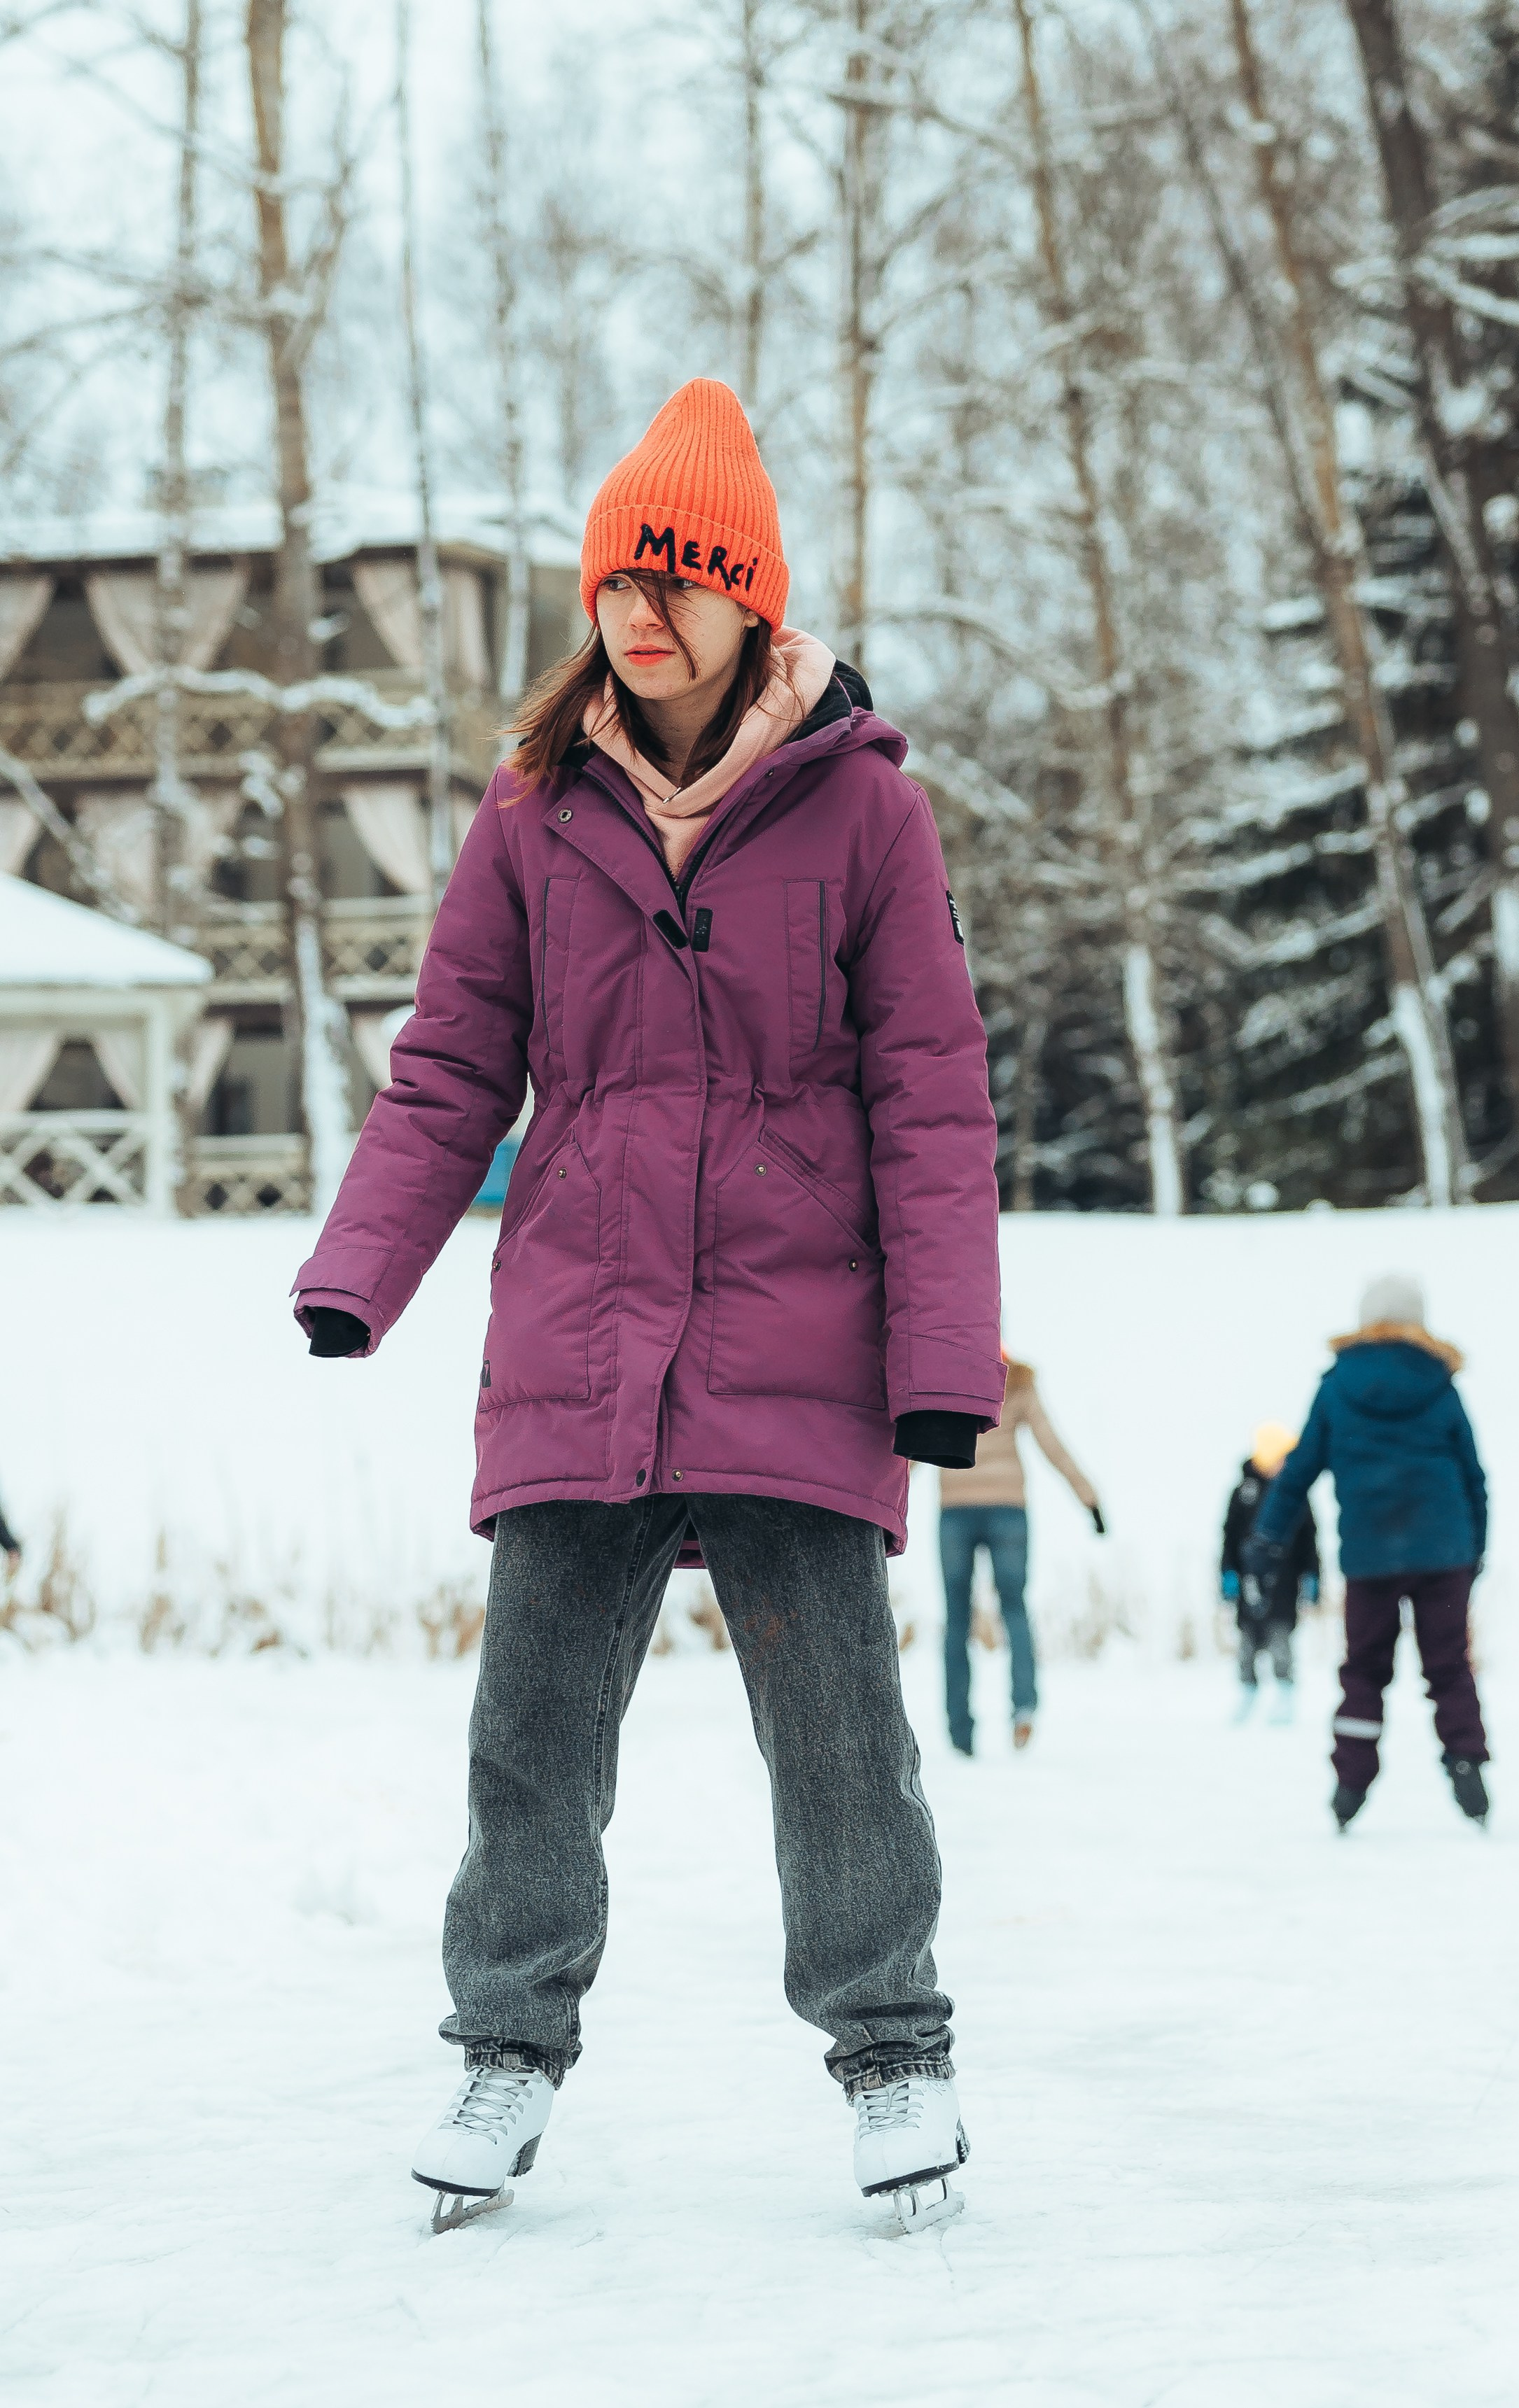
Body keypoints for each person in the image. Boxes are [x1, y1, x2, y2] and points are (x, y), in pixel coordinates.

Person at [290, 381, 1004, 2234]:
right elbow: (451, 1065)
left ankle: (892, 2052)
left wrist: (938, 1373)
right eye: (618, 574)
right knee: (529, 1728)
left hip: (798, 1344)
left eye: (677, 579)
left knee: (838, 1733)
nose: (639, 609)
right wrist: (359, 1269)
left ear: (745, 599)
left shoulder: (863, 820)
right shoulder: (532, 813)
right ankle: (504, 2046)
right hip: (580, 1343)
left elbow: (931, 1101)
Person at [1248, 1273, 1490, 1833]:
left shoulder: (1337, 1386)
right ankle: (1468, 1766)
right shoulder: (1442, 1385)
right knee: (1450, 1667)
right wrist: (1474, 1550)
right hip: (1443, 1552)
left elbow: (1297, 1472)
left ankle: (1350, 1785)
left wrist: (1266, 1540)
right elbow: (1474, 1476)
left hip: (1370, 1555)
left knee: (1364, 1671)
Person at [938, 1352, 1102, 1754]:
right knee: (1014, 1608)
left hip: (955, 1509)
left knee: (957, 1617)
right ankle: (1024, 1708)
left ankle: (960, 1730)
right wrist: (1090, 1500)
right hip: (1009, 1510)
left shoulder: (940, 1373)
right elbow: (1052, 1445)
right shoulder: (1017, 1381)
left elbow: (911, 1450)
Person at [1219, 1421, 1320, 1724]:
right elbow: (1229, 1537)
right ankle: (1248, 1693)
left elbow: (1310, 1541)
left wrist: (1313, 1577)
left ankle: (1285, 1695)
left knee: (1280, 1639)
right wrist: (1228, 1573)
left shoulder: (1296, 1494)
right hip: (1249, 1582)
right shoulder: (1242, 1493)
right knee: (1248, 1641)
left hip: (1285, 1583)